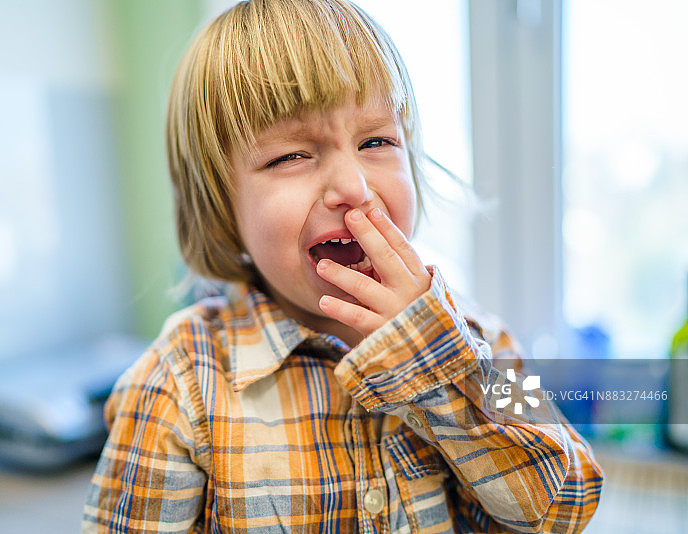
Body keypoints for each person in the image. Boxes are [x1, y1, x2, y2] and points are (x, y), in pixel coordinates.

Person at [82, 0, 603, 532]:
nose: (354, 188)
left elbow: (569, 502)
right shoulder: (178, 383)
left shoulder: (480, 340)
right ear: (222, 206)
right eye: (290, 156)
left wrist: (438, 368)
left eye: (377, 141)